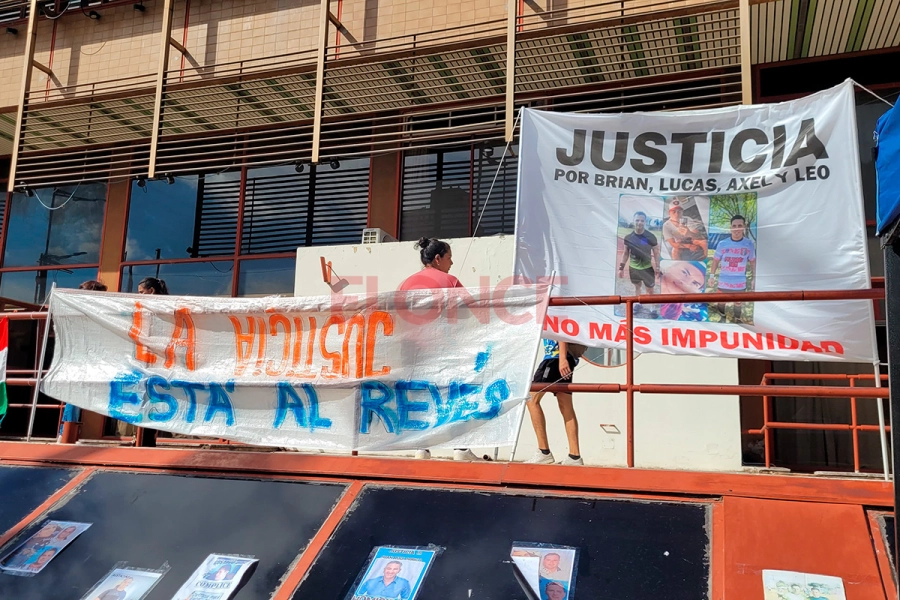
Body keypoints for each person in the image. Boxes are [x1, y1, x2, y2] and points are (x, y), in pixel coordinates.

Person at [400, 238, 478, 462]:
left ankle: (422, 447)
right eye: (449, 257)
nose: (452, 263)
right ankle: (460, 448)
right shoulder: (450, 281)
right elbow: (474, 308)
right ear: (438, 259)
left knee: (424, 394)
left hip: (414, 350)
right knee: (455, 393)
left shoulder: (406, 283)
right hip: (446, 348)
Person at [525, 338, 586, 465]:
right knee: (566, 406)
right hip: (563, 358)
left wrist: (562, 358)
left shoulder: (553, 316)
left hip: (554, 357)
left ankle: (544, 451)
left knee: (531, 399)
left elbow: (561, 331)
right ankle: (574, 456)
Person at [708, 215, 756, 323]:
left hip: (740, 282)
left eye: (740, 225)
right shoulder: (722, 244)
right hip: (723, 281)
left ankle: (737, 319)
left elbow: (752, 261)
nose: (736, 228)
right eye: (734, 226)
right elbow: (715, 260)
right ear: (730, 228)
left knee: (738, 303)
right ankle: (722, 317)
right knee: (721, 302)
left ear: (744, 227)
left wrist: (754, 278)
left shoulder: (749, 244)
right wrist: (711, 276)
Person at [618, 211, 659, 318]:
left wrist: (658, 267)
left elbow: (656, 252)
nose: (639, 222)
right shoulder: (628, 237)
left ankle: (652, 307)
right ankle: (638, 304)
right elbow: (625, 253)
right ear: (633, 221)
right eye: (637, 220)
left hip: (647, 268)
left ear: (645, 222)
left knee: (650, 289)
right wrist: (621, 268)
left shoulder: (651, 236)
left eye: (642, 220)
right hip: (634, 269)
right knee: (637, 287)